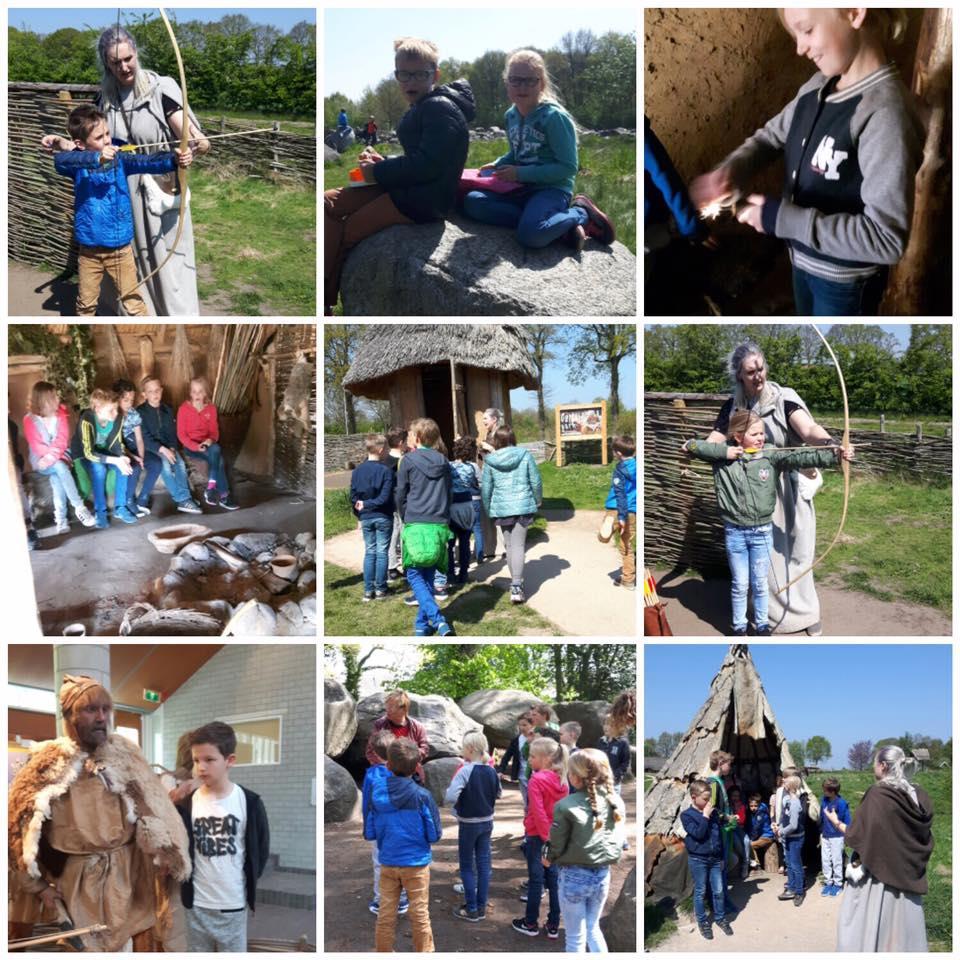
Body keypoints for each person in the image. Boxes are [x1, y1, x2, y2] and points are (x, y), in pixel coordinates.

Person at [690, 10, 922, 316]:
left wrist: (782, 219)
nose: (800, 48)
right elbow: (771, 136)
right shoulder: (816, 86)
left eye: (807, 30)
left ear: (854, 12)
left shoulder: (885, 115)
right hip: (802, 261)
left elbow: (885, 239)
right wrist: (732, 171)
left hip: (843, 286)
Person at [8, 675, 190, 950]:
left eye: (106, 710)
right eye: (91, 710)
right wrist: (39, 887)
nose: (101, 718)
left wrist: (168, 853)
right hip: (76, 884)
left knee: (131, 943)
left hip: (128, 879)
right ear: (69, 715)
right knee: (82, 946)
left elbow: (154, 808)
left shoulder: (124, 755)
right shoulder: (46, 765)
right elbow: (17, 832)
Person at [699, 341, 854, 635]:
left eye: (761, 368)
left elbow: (809, 430)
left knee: (799, 552)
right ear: (739, 375)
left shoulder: (784, 399)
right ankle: (767, 619)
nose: (758, 375)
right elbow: (714, 440)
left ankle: (807, 615)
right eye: (751, 371)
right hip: (754, 494)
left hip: (788, 487)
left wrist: (832, 445)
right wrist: (696, 449)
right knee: (766, 564)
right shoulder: (734, 408)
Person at [324, 37, 475, 314]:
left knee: (350, 230)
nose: (411, 82)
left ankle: (326, 301)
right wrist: (384, 162)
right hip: (409, 186)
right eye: (404, 74)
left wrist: (378, 171)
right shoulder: (425, 105)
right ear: (396, 74)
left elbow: (429, 165)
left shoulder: (439, 108)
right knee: (327, 203)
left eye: (420, 74)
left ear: (435, 74)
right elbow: (421, 157)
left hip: (422, 200)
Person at [96, 25, 209, 314]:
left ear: (136, 54)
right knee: (129, 264)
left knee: (169, 268)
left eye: (128, 58)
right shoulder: (105, 98)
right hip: (121, 194)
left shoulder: (161, 89)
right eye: (115, 62)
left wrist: (193, 145)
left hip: (159, 190)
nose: (123, 67)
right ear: (107, 64)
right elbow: (91, 142)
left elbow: (193, 137)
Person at [43, 104, 189, 317]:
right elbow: (61, 160)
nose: (108, 140)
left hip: (120, 249)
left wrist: (175, 160)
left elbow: (149, 161)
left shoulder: (121, 160)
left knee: (133, 302)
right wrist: (96, 158)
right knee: (85, 304)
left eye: (108, 133)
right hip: (89, 251)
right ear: (80, 144)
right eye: (99, 137)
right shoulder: (76, 164)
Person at [464, 49, 614, 252]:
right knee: (473, 202)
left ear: (541, 83)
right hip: (520, 188)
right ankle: (555, 226)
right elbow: (517, 153)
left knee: (530, 236)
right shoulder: (511, 115)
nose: (522, 86)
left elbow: (569, 168)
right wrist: (499, 163)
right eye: (515, 80)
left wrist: (519, 173)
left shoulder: (554, 118)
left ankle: (581, 213)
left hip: (552, 189)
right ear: (506, 83)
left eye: (530, 81)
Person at [176, 721, 269, 952]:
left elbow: (260, 850)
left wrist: (245, 884)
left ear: (230, 760)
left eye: (209, 760)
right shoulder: (186, 803)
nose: (201, 768)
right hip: (196, 903)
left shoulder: (249, 802)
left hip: (232, 904)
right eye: (197, 760)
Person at [830, 745, 933, 950]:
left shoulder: (878, 794)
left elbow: (858, 834)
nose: (872, 768)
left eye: (874, 763)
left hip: (879, 876)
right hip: (908, 875)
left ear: (884, 766)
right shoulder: (918, 795)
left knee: (871, 929)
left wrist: (836, 823)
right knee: (903, 936)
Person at [545, 748, 625, 952]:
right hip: (602, 875)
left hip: (573, 876)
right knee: (592, 928)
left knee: (574, 937)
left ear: (574, 777)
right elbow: (620, 837)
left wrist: (549, 857)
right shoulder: (616, 802)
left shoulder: (566, 806)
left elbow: (557, 842)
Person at [368, 738, 443, 952]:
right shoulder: (423, 796)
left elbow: (371, 831)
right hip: (416, 864)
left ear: (388, 765)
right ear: (416, 766)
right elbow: (434, 834)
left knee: (386, 913)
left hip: (389, 862)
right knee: (419, 913)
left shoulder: (376, 793)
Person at [396, 417, 455, 636]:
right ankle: (422, 626)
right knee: (428, 575)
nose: (409, 437)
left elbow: (400, 493)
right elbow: (449, 493)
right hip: (438, 523)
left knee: (413, 574)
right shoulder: (443, 461)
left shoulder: (408, 461)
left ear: (418, 437)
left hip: (416, 522)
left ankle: (438, 620)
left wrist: (405, 516)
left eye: (411, 434)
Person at [512, 737, 569, 938]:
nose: (529, 759)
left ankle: (530, 923)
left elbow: (537, 812)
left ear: (545, 759)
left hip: (538, 837)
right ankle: (553, 924)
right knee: (554, 880)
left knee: (536, 880)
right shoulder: (562, 779)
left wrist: (546, 838)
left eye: (532, 756)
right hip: (556, 835)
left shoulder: (537, 779)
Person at [22, 380, 96, 534]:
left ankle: (61, 521)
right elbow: (37, 446)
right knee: (59, 469)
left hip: (61, 455)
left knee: (58, 476)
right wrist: (50, 458)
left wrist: (51, 458)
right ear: (44, 400)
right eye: (54, 396)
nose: (58, 399)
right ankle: (79, 507)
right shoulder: (29, 420)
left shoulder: (61, 413)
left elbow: (62, 440)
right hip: (39, 460)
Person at [481, 425, 543, 604]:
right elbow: (536, 480)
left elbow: (486, 488)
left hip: (502, 508)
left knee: (509, 547)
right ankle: (516, 585)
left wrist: (488, 508)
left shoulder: (490, 460)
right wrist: (537, 499)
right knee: (518, 546)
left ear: (496, 441)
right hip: (523, 505)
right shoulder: (525, 455)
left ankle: (515, 585)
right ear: (513, 438)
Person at [445, 732, 501, 921]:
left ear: (469, 749)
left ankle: (471, 908)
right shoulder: (491, 770)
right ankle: (481, 906)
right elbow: (499, 793)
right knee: (484, 864)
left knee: (467, 865)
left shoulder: (465, 770)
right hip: (487, 822)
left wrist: (456, 805)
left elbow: (450, 797)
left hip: (468, 824)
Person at [70, 387, 138, 528]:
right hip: (85, 454)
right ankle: (100, 512)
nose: (115, 413)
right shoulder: (86, 420)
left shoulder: (118, 418)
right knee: (98, 469)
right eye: (111, 410)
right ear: (97, 409)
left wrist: (122, 457)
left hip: (106, 452)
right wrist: (115, 460)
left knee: (123, 467)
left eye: (116, 409)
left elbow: (117, 443)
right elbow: (89, 453)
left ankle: (120, 507)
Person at [136, 376, 202, 515]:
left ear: (162, 390)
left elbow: (173, 432)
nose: (155, 394)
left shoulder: (167, 409)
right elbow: (144, 438)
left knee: (180, 464)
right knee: (165, 465)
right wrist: (163, 450)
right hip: (151, 448)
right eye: (150, 391)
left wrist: (172, 447)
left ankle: (186, 498)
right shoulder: (140, 412)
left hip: (167, 446)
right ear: (144, 394)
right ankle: (182, 499)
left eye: (157, 390)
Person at [362, 730, 410, 917]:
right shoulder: (402, 771)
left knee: (380, 864)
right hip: (400, 827)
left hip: (380, 829)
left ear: (373, 751)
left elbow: (367, 804)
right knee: (400, 861)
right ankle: (402, 899)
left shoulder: (372, 775)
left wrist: (368, 828)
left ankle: (381, 900)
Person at [176, 376, 239, 510]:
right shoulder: (183, 409)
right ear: (190, 392)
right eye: (194, 391)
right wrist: (195, 446)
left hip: (208, 446)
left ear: (205, 393)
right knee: (220, 460)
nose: (197, 395)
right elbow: (181, 435)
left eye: (200, 391)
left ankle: (211, 488)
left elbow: (214, 432)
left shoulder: (210, 409)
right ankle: (223, 495)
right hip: (190, 447)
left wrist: (210, 440)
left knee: (215, 448)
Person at [681, 779, 732, 940]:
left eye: (709, 798)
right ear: (694, 797)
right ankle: (702, 921)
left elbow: (718, 836)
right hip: (698, 859)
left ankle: (720, 918)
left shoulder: (714, 813)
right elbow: (698, 834)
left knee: (718, 890)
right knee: (700, 891)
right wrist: (704, 816)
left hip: (715, 859)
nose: (708, 802)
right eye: (705, 799)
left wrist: (722, 856)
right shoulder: (687, 815)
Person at [351, 433, 396, 601]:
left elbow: (353, 498)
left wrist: (359, 514)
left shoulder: (357, 471)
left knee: (370, 552)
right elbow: (384, 498)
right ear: (381, 449)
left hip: (366, 517)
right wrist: (367, 506)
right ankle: (380, 589)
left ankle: (368, 591)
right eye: (387, 449)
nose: (388, 453)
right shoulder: (386, 471)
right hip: (383, 516)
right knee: (381, 552)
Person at [365, 690, 430, 783]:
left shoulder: (417, 727)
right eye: (387, 706)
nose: (388, 710)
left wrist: (409, 760)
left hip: (410, 771)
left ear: (403, 709)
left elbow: (425, 749)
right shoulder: (380, 725)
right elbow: (370, 751)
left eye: (392, 707)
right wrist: (388, 765)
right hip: (385, 772)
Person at [602, 435, 637, 589]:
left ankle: (609, 525)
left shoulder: (620, 469)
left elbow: (620, 494)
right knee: (627, 546)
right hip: (632, 511)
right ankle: (628, 580)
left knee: (602, 537)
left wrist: (621, 516)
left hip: (617, 509)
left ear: (619, 453)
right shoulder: (638, 466)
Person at [113, 378, 150, 517]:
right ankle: (127, 501)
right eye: (126, 400)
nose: (130, 403)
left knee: (140, 464)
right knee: (133, 468)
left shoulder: (134, 414)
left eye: (132, 400)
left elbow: (139, 439)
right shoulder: (114, 415)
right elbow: (117, 443)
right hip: (119, 449)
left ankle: (131, 500)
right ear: (117, 399)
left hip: (133, 445)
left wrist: (140, 456)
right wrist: (133, 457)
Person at [449, 436, 482, 583]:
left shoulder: (448, 466)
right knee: (465, 541)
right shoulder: (473, 467)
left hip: (451, 507)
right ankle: (463, 573)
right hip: (467, 506)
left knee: (449, 543)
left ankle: (450, 572)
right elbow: (479, 483)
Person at [819, 776, 851, 896]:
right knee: (825, 860)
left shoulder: (842, 803)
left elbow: (847, 821)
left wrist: (847, 835)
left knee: (837, 860)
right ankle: (828, 882)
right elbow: (821, 817)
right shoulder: (824, 800)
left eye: (825, 790)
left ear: (832, 791)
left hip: (837, 836)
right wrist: (820, 831)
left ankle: (838, 883)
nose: (823, 791)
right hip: (825, 835)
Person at [778, 774, 806, 906]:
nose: (784, 781)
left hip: (794, 838)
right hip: (788, 837)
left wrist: (782, 831)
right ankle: (792, 887)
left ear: (791, 786)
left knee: (795, 865)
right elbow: (784, 817)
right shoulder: (787, 799)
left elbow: (794, 825)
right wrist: (779, 826)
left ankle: (799, 892)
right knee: (789, 863)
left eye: (786, 781)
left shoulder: (795, 803)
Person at [385, 426, 407, 581]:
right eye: (405, 442)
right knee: (403, 534)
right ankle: (407, 565)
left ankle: (391, 567)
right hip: (401, 503)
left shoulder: (383, 460)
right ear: (400, 443)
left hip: (387, 503)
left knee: (393, 534)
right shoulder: (402, 461)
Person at [499, 713, 534, 806]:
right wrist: (501, 770)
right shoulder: (516, 740)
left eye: (525, 725)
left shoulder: (538, 738)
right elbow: (507, 756)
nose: (522, 728)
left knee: (534, 802)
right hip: (522, 776)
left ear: (532, 725)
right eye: (520, 725)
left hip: (535, 776)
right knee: (527, 804)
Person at [747, 791, 776, 871]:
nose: (753, 808)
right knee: (749, 844)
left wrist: (751, 838)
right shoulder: (754, 813)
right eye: (751, 806)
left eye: (755, 806)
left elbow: (756, 827)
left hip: (767, 836)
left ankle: (756, 865)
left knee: (750, 845)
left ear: (759, 805)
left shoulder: (760, 813)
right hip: (761, 836)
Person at [727, 786, 752, 880]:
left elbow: (742, 820)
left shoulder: (741, 805)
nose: (735, 798)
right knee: (737, 842)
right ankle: (747, 860)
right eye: (734, 796)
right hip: (730, 829)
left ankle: (746, 864)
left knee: (746, 841)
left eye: (737, 796)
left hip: (738, 828)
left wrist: (735, 818)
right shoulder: (727, 805)